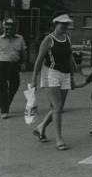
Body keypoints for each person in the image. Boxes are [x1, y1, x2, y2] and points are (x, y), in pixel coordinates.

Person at [30, 14, 79, 151]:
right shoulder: (48, 39)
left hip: (65, 74)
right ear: (56, 24)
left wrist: (72, 76)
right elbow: (39, 60)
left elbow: (69, 57)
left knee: (59, 108)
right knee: (57, 107)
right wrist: (34, 79)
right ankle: (59, 139)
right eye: (62, 24)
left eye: (66, 24)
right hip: (51, 73)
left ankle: (41, 127)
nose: (64, 26)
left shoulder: (67, 38)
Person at [0, 18, 27, 119]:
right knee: (2, 88)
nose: (8, 31)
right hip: (3, 65)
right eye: (6, 29)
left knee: (15, 85)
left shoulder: (20, 38)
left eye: (10, 29)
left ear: (14, 29)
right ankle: (4, 110)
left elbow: (23, 52)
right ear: (4, 29)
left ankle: (6, 102)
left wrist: (23, 63)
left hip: (14, 65)